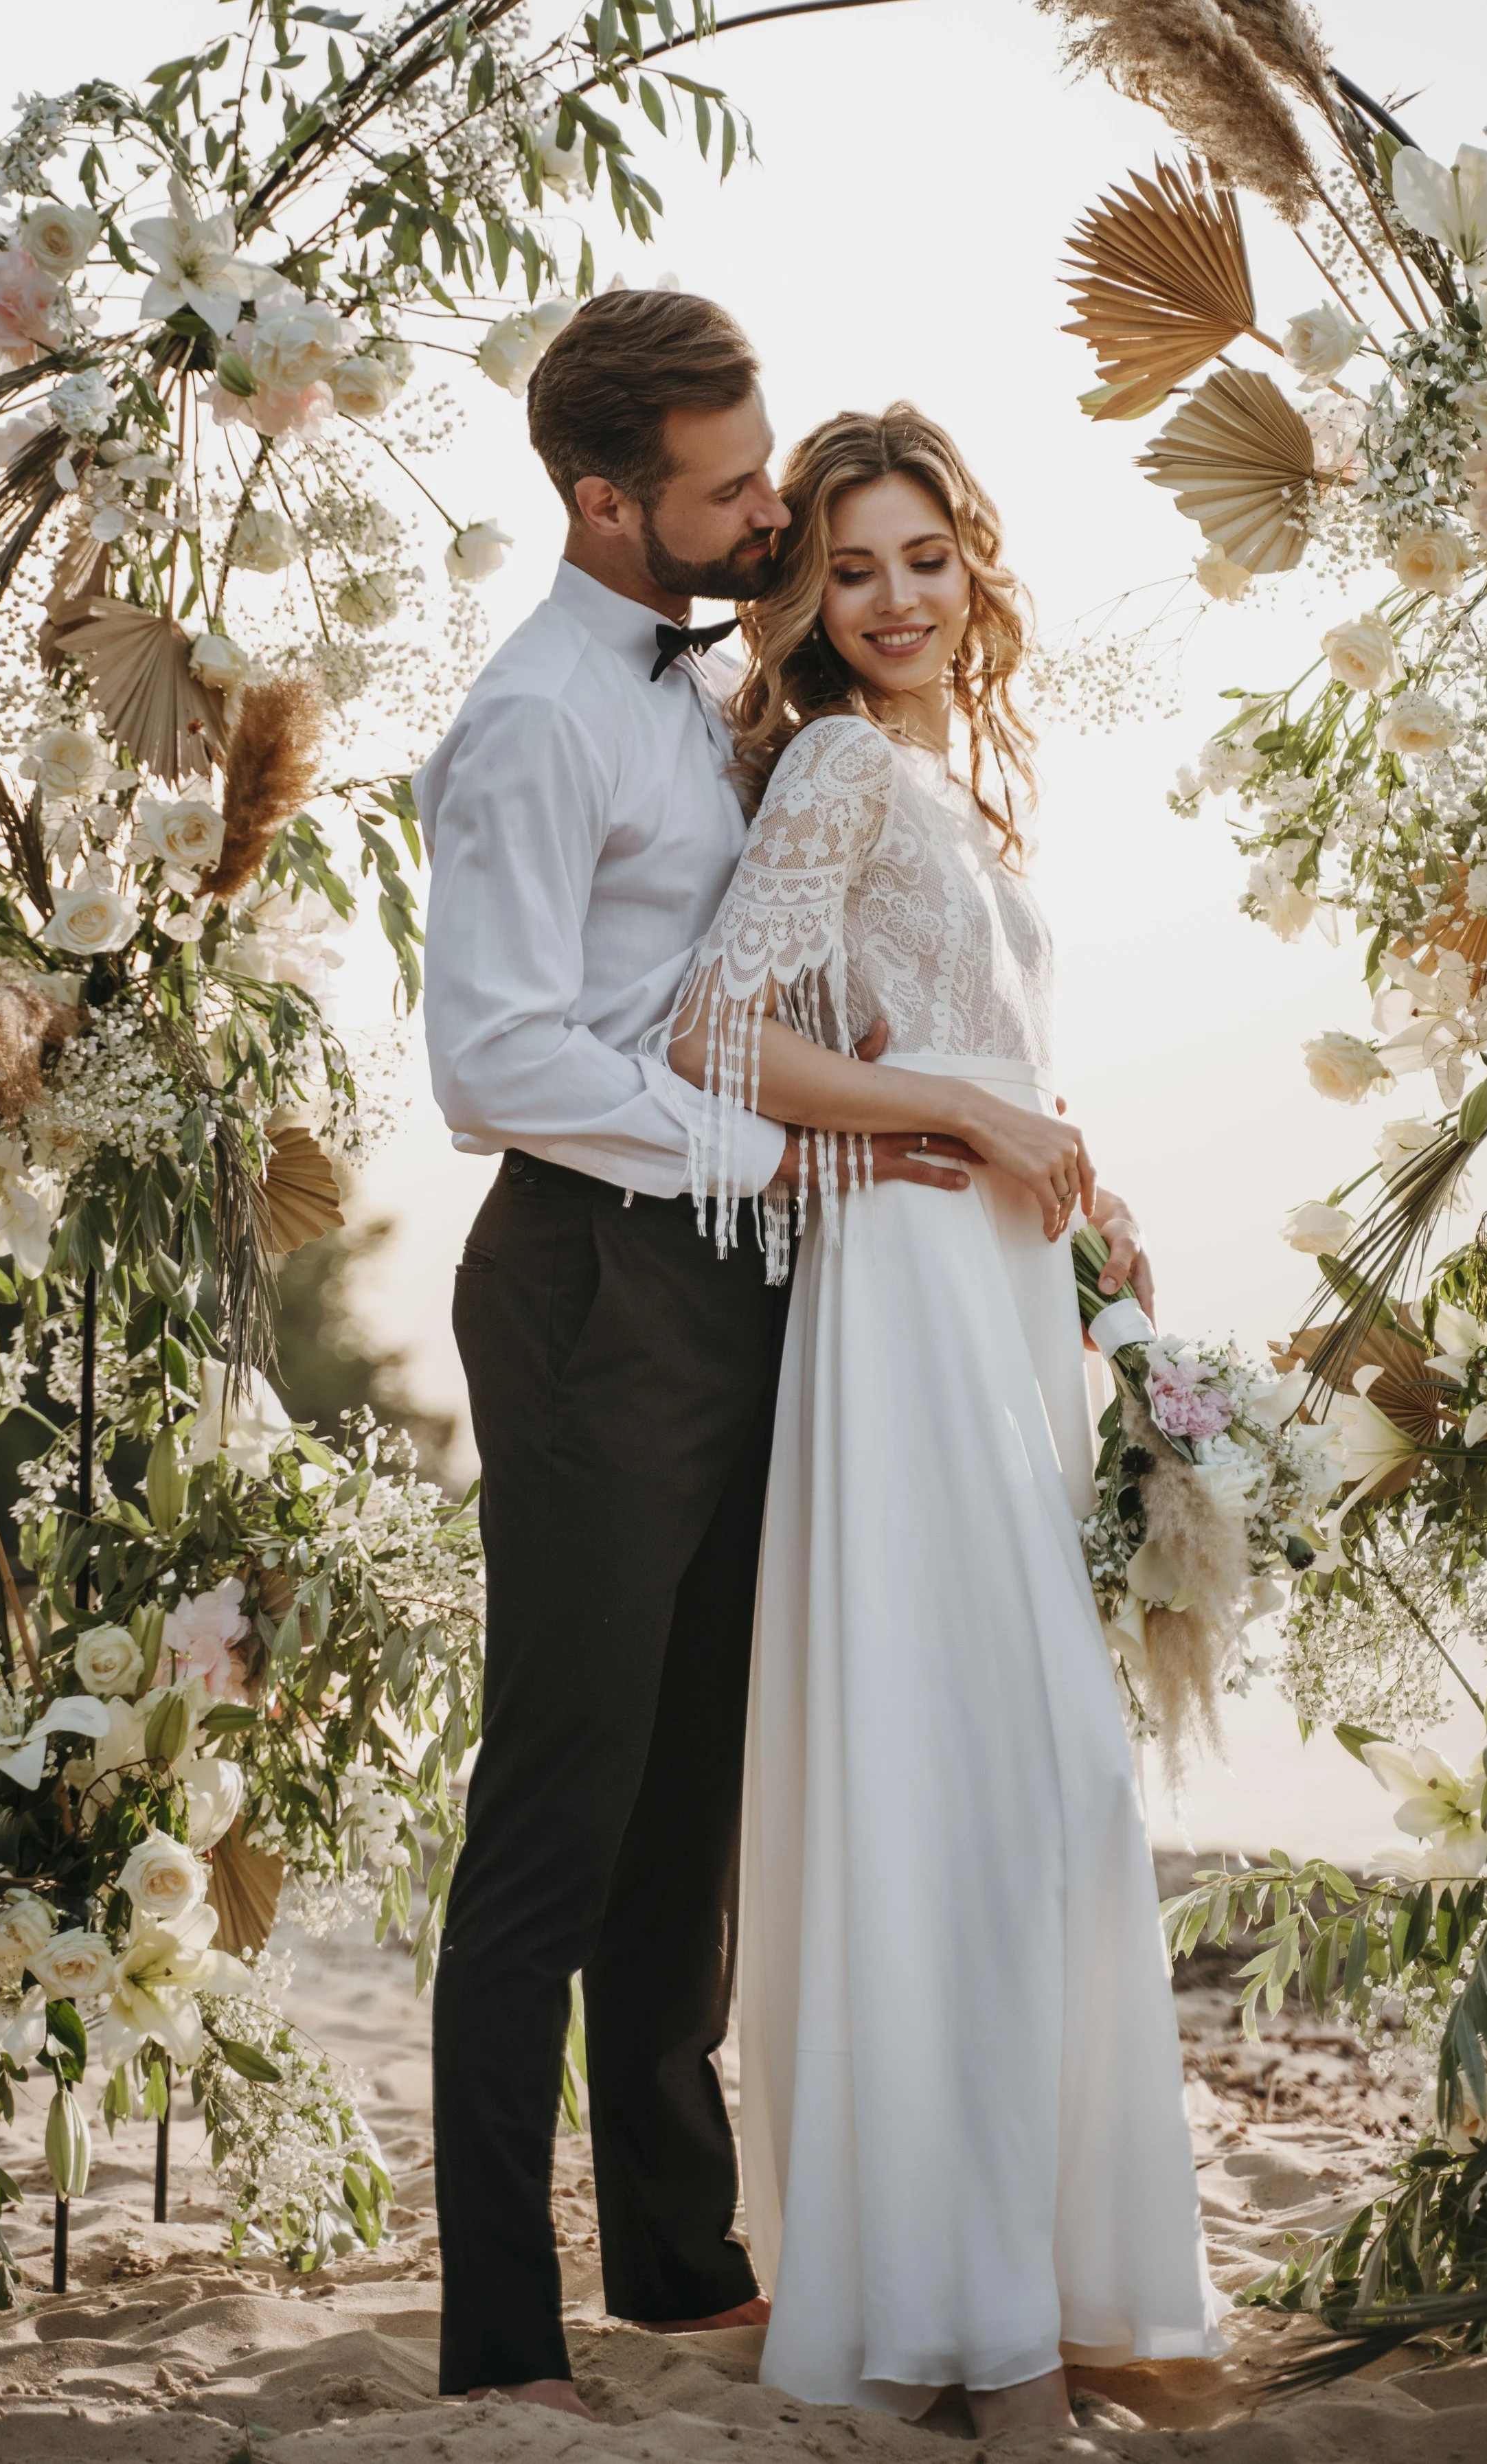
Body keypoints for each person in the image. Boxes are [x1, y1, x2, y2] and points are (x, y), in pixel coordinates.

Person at [412, 295, 995, 2413]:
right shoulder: (538, 717)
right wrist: (760, 1138)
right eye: (733, 488)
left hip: (730, 1273)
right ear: (601, 500)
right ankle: (496, 2334)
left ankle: (672, 2260)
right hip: (586, 1282)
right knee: (558, 1804)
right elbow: (494, 1056)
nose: (768, 510)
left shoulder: (699, 692)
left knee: (686, 1809)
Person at [655, 404, 1226, 2433]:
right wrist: (960, 1113)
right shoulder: (824, 763)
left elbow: (973, 1052)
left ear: (968, 563)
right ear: (808, 592)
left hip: (999, 1306)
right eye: (855, 565)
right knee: (991, 1794)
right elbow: (715, 1030)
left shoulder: (944, 781)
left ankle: (1022, 2303)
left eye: (924, 556)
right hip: (896, 1311)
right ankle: (970, 2337)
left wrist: (1080, 1185)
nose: (897, 597)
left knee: (1033, 1799)